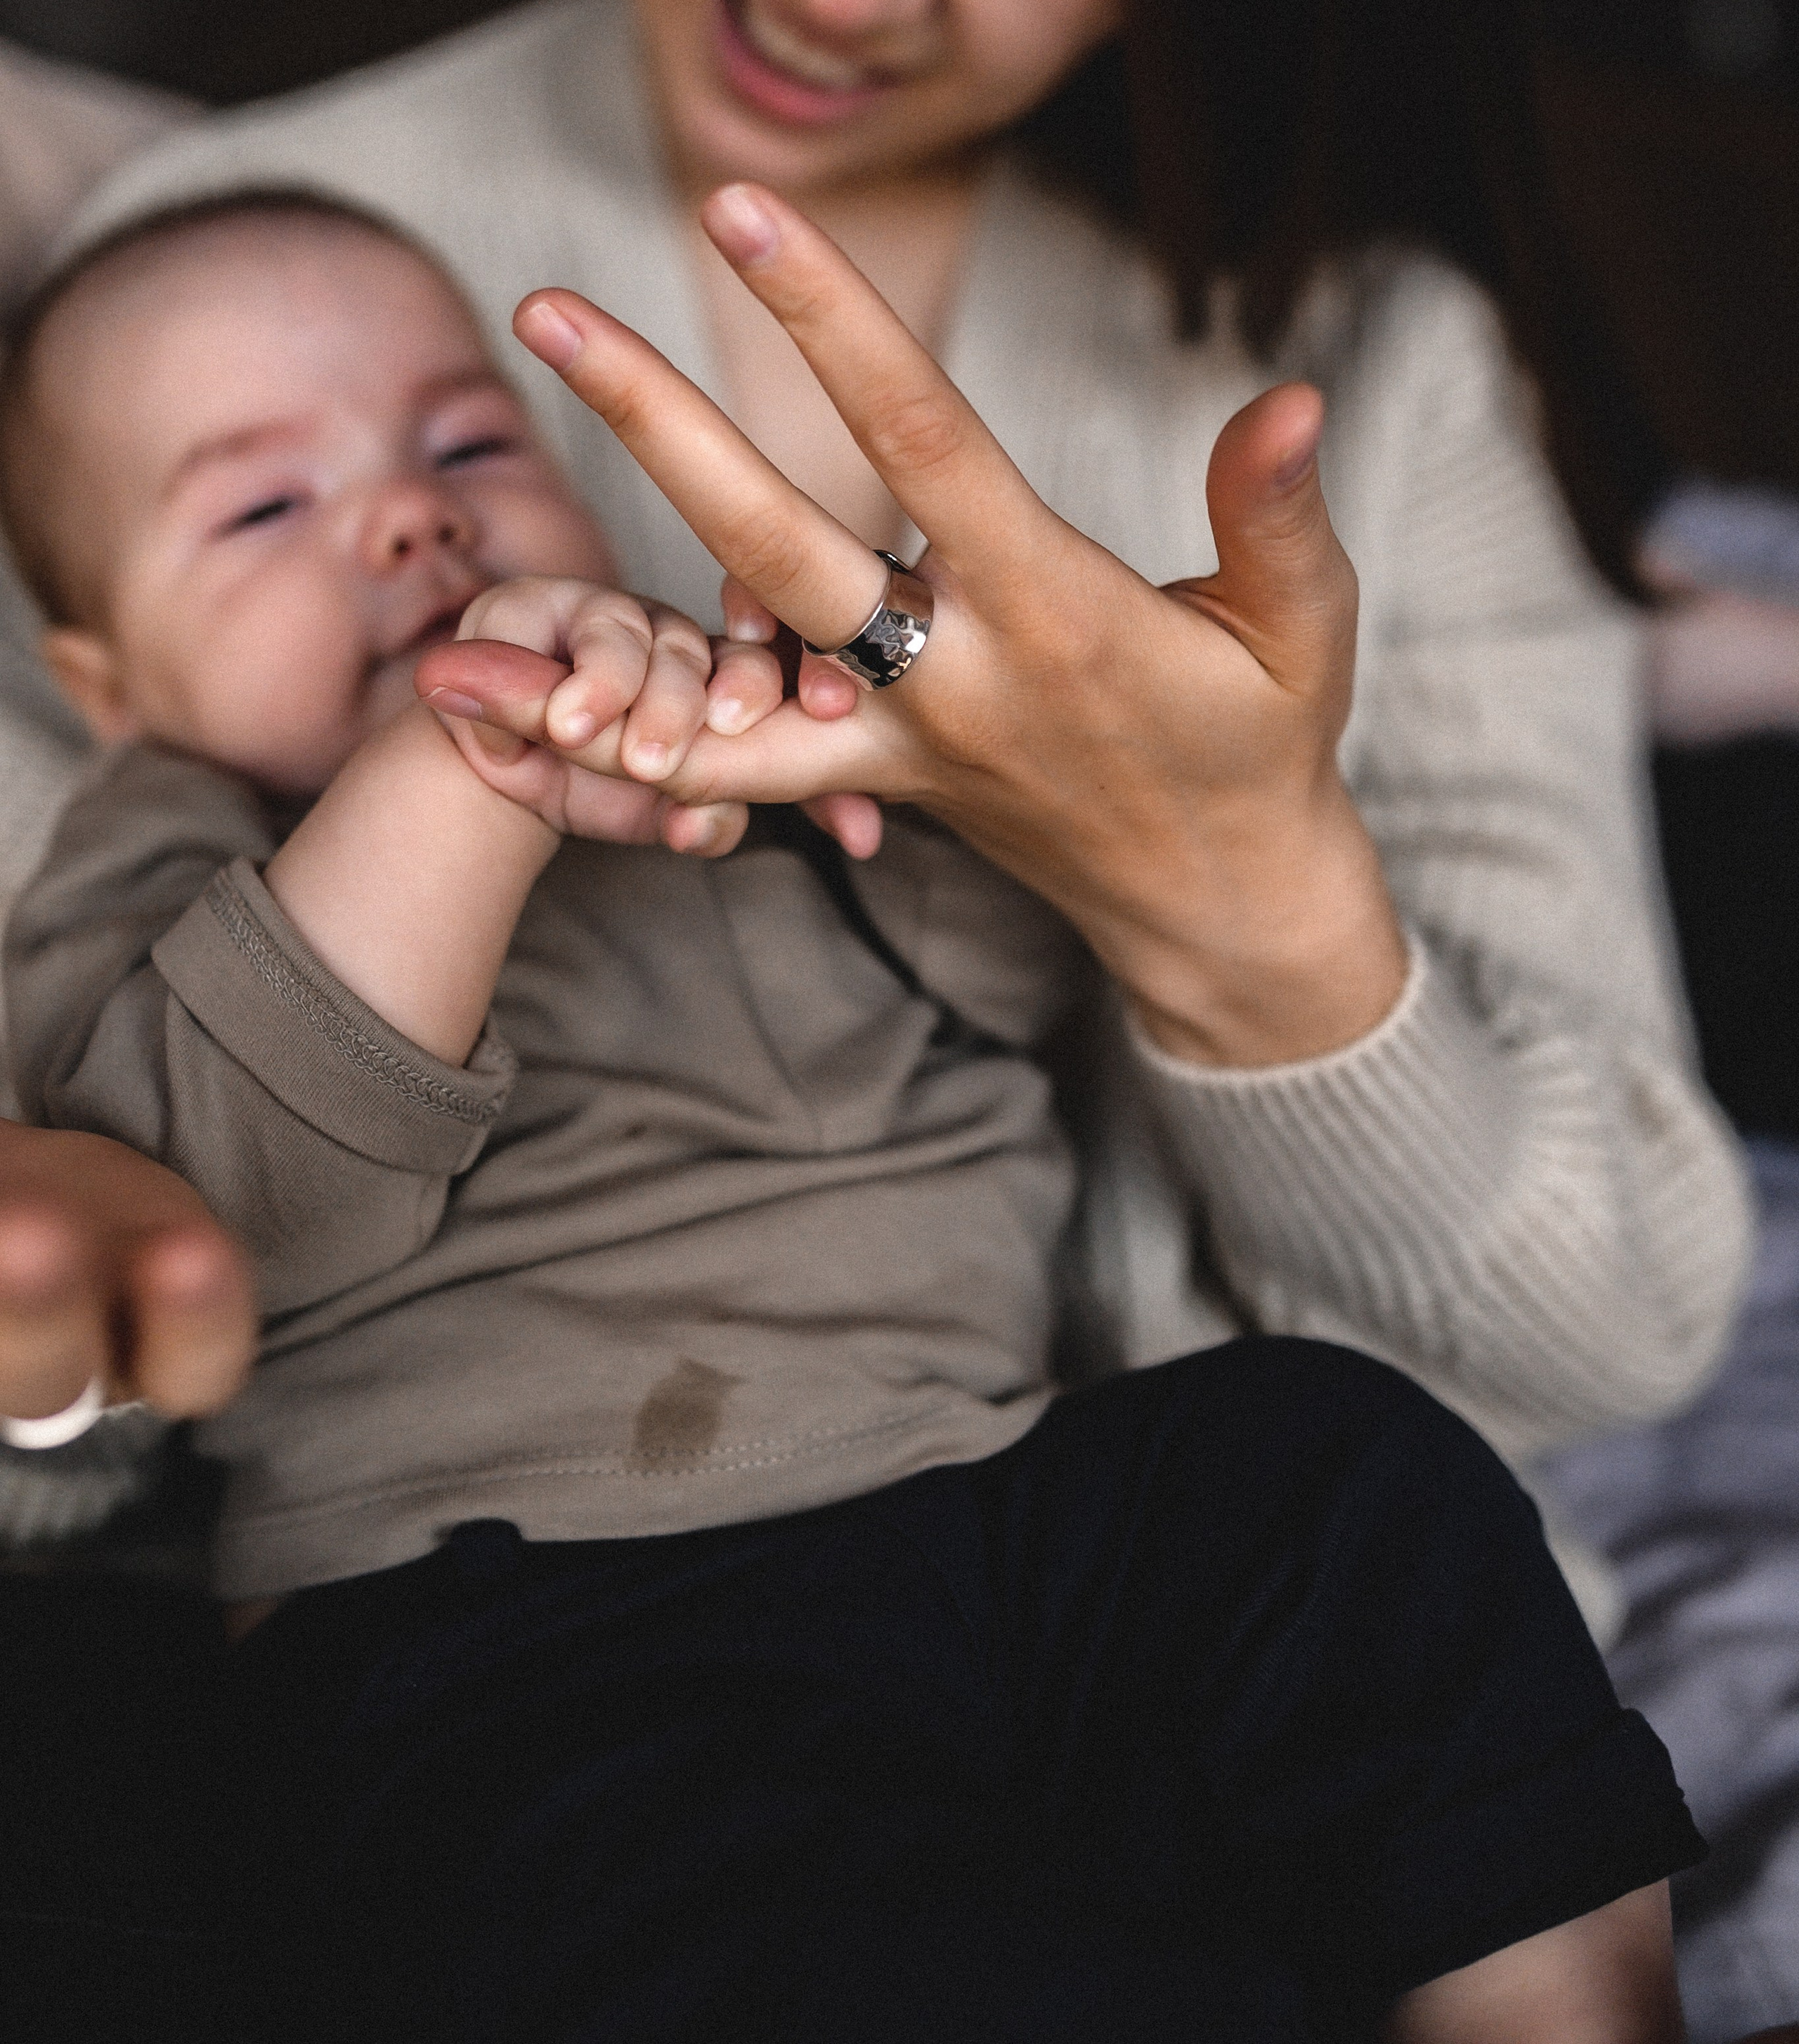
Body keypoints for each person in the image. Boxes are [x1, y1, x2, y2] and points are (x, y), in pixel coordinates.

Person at [0, 0, 1758, 2021]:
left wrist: (1235, 903)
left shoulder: (1363, 374)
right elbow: (97, 1318)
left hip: (1078, 1537)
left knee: (1345, 1500)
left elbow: (1609, 1329)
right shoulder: (232, 298)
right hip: (533, 1608)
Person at [0, 193, 1711, 2040]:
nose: (412, 516)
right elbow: (223, 1210)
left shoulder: (742, 736)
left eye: (468, 439)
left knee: (1328, 1461)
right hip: (508, 1623)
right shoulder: (152, 853)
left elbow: (1035, 947)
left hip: (986, 1492)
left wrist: (1027, 728)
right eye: (262, 505)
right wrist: (467, 762)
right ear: (103, 680)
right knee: (803, 1943)